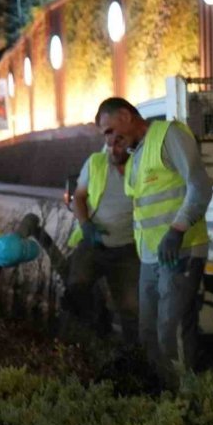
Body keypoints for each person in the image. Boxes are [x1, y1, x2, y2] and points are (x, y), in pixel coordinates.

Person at [95, 97, 212, 383]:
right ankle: (161, 393)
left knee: (171, 331)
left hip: (180, 251)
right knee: (148, 332)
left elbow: (200, 186)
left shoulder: (169, 135)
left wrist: (177, 230)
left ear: (126, 116)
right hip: (151, 257)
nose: (109, 140)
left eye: (110, 131)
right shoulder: (136, 155)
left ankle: (183, 397)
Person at [65, 141, 140, 343]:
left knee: (131, 308)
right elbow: (78, 197)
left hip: (128, 247)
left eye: (119, 145)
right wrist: (85, 224)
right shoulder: (96, 163)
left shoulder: (141, 166)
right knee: (76, 286)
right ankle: (90, 337)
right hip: (94, 243)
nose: (113, 150)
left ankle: (133, 353)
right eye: (110, 145)